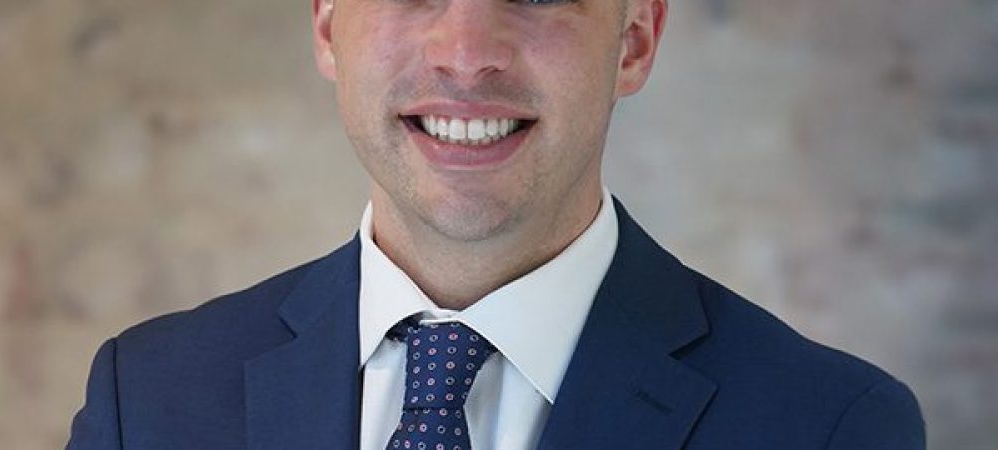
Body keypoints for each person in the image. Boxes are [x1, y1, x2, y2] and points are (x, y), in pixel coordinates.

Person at [67, 0, 926, 449]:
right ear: (329, 26)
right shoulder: (146, 403)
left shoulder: (830, 428)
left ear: (633, 42)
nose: (467, 50)